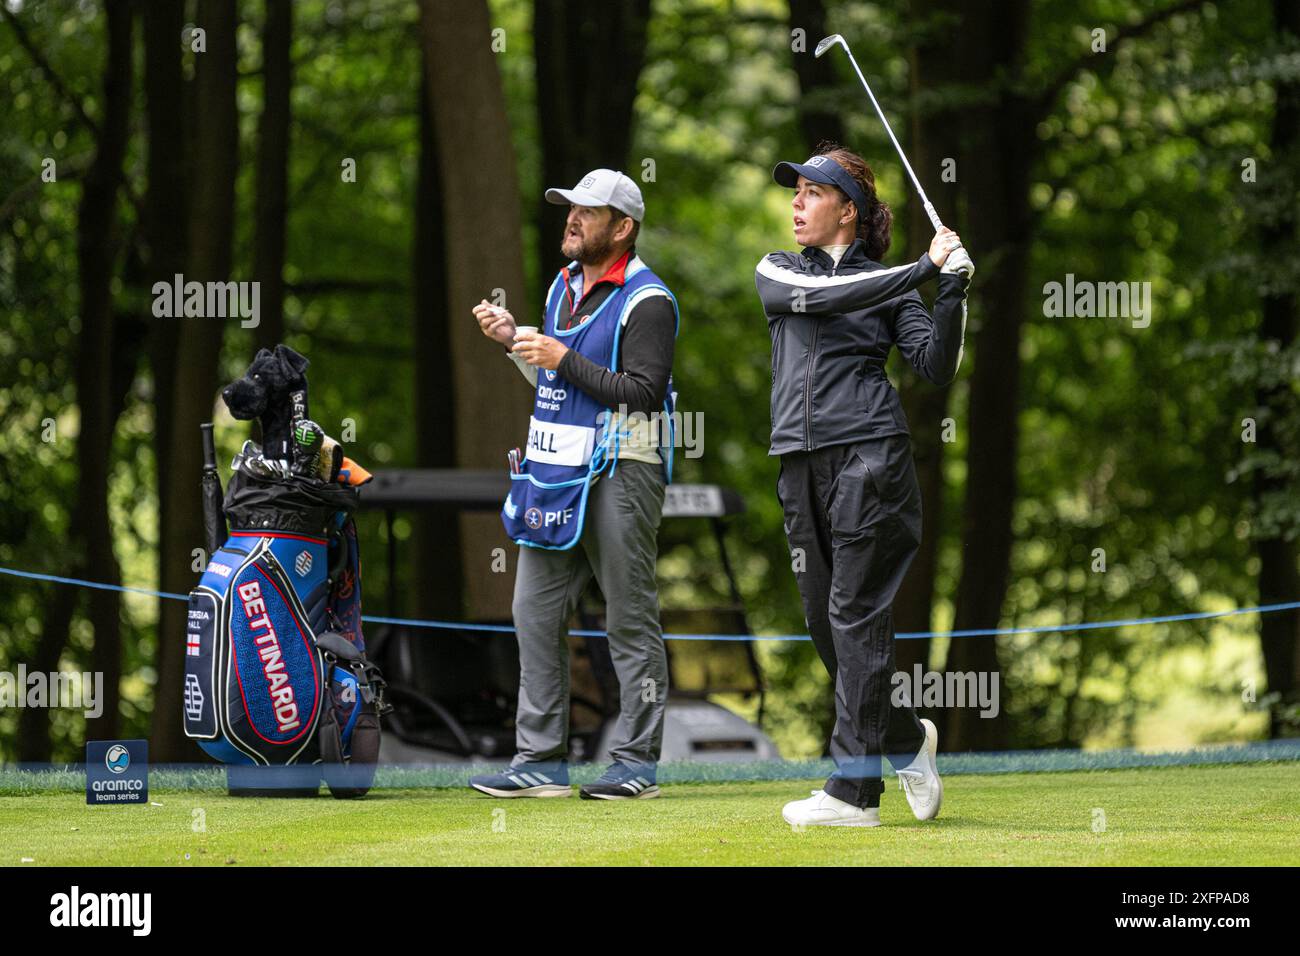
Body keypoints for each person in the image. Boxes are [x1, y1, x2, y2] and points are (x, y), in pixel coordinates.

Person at [754, 142, 974, 828]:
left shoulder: (896, 286)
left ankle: (853, 793)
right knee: (826, 625)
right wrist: (919, 271)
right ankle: (907, 738)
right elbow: (825, 297)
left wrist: (953, 290)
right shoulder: (779, 270)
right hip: (798, 462)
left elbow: (935, 364)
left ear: (846, 210)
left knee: (855, 618)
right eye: (794, 193)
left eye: (810, 193)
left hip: (869, 460)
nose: (795, 202)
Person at [467, 169, 679, 801]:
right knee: (532, 612)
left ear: (623, 227)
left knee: (628, 620)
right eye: (570, 208)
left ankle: (636, 764)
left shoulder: (650, 300)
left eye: (589, 211)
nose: (573, 218)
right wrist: (515, 345)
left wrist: (563, 357)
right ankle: (539, 762)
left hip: (623, 470)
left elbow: (641, 394)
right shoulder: (563, 288)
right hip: (555, 476)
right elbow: (562, 386)